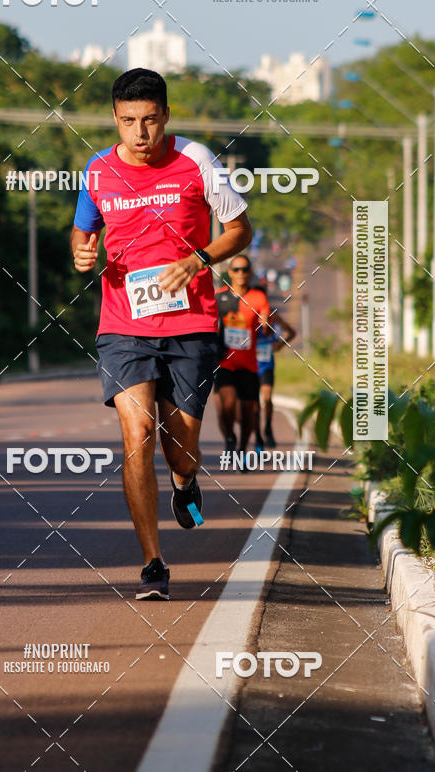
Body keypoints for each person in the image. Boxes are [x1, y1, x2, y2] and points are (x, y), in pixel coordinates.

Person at [71, 68, 252, 600]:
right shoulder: (98, 170)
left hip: (191, 325)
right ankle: (153, 562)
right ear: (115, 120)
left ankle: (185, 481)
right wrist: (81, 252)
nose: (140, 133)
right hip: (123, 327)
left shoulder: (196, 160)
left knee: (182, 448)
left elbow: (241, 228)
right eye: (129, 122)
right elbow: (84, 233)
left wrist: (197, 260)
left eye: (150, 120)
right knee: (136, 437)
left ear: (166, 115)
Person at [214, 255, 270, 463]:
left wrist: (265, 322)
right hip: (224, 361)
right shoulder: (219, 297)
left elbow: (266, 319)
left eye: (244, 269)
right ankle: (229, 437)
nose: (240, 273)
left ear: (250, 271)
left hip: (248, 364)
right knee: (226, 406)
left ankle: (242, 450)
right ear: (230, 272)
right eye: (236, 269)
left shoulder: (258, 297)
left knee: (249, 414)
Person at [254, 308, 296, 449]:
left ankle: (267, 428)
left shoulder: (274, 316)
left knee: (267, 398)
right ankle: (258, 435)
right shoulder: (248, 314)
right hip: (250, 366)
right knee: (253, 404)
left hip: (267, 366)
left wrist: (280, 345)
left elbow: (291, 332)